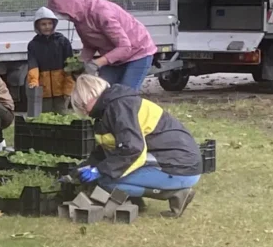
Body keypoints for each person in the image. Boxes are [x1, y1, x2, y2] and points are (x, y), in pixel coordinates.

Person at [70, 75, 201, 218]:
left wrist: (100, 170)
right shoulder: (113, 107)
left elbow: (133, 150)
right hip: (177, 162)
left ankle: (176, 193)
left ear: (91, 96)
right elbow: (106, 151)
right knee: (109, 173)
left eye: (82, 105)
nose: (83, 111)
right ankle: (136, 201)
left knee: (107, 180)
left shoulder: (120, 108)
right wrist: (81, 169)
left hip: (179, 166)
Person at [48, 0, 157, 91]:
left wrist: (96, 63)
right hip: (113, 57)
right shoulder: (78, 17)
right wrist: (81, 63)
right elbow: (90, 44)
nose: (63, 16)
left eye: (62, 12)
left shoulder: (101, 12)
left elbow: (124, 46)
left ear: (71, 5)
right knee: (103, 93)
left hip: (137, 52)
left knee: (124, 94)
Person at [28, 6, 75, 112]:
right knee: (45, 118)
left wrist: (68, 89)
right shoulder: (33, 45)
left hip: (62, 90)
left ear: (54, 24)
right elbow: (33, 66)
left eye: (49, 23)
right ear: (37, 26)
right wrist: (34, 84)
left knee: (62, 117)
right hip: (43, 91)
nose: (47, 27)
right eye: (43, 24)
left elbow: (70, 67)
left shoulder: (63, 42)